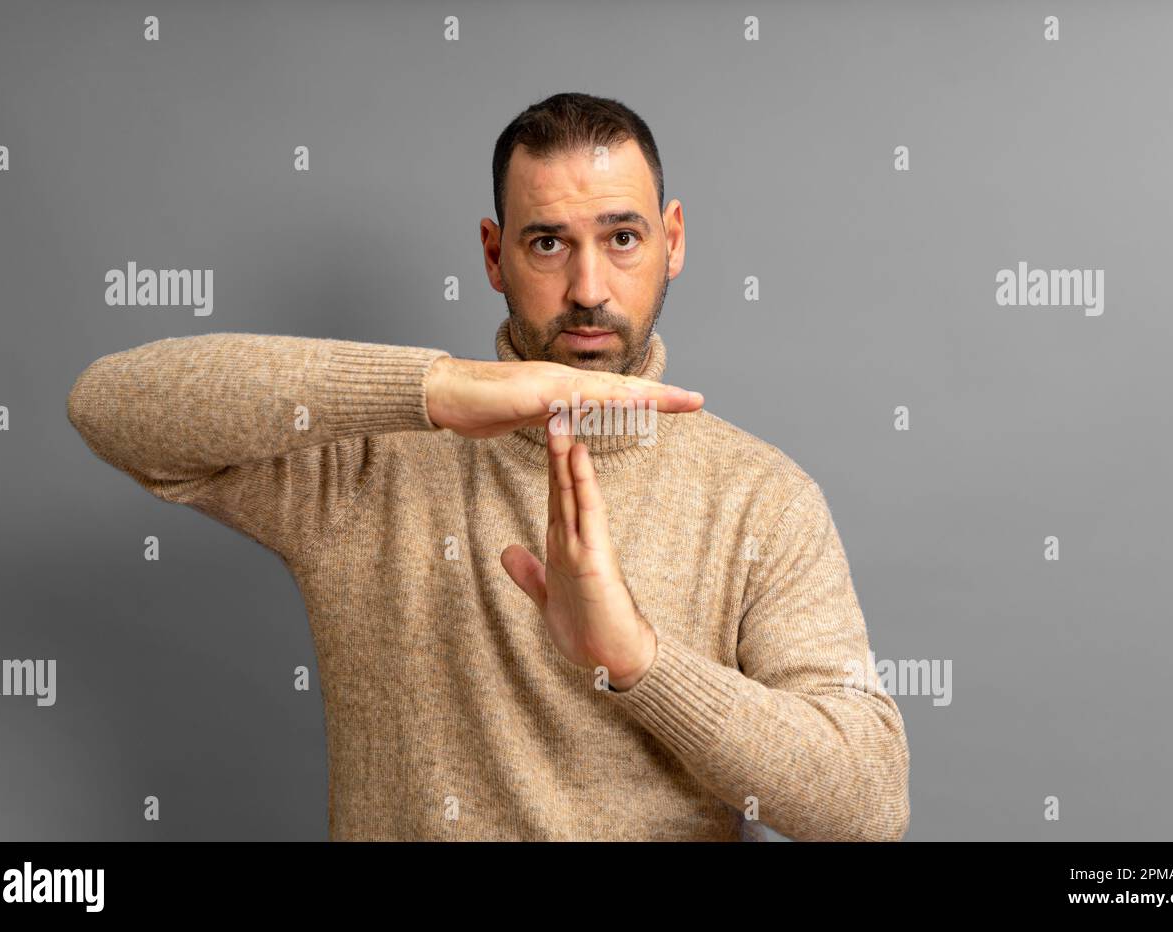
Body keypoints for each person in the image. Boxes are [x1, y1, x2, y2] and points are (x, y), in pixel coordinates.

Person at [66, 91, 909, 841]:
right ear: (492, 253)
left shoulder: (762, 499)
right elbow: (110, 406)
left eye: (622, 237)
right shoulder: (369, 463)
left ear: (672, 239)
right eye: (548, 243)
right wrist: (432, 388)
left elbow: (868, 808)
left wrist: (642, 663)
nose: (588, 287)